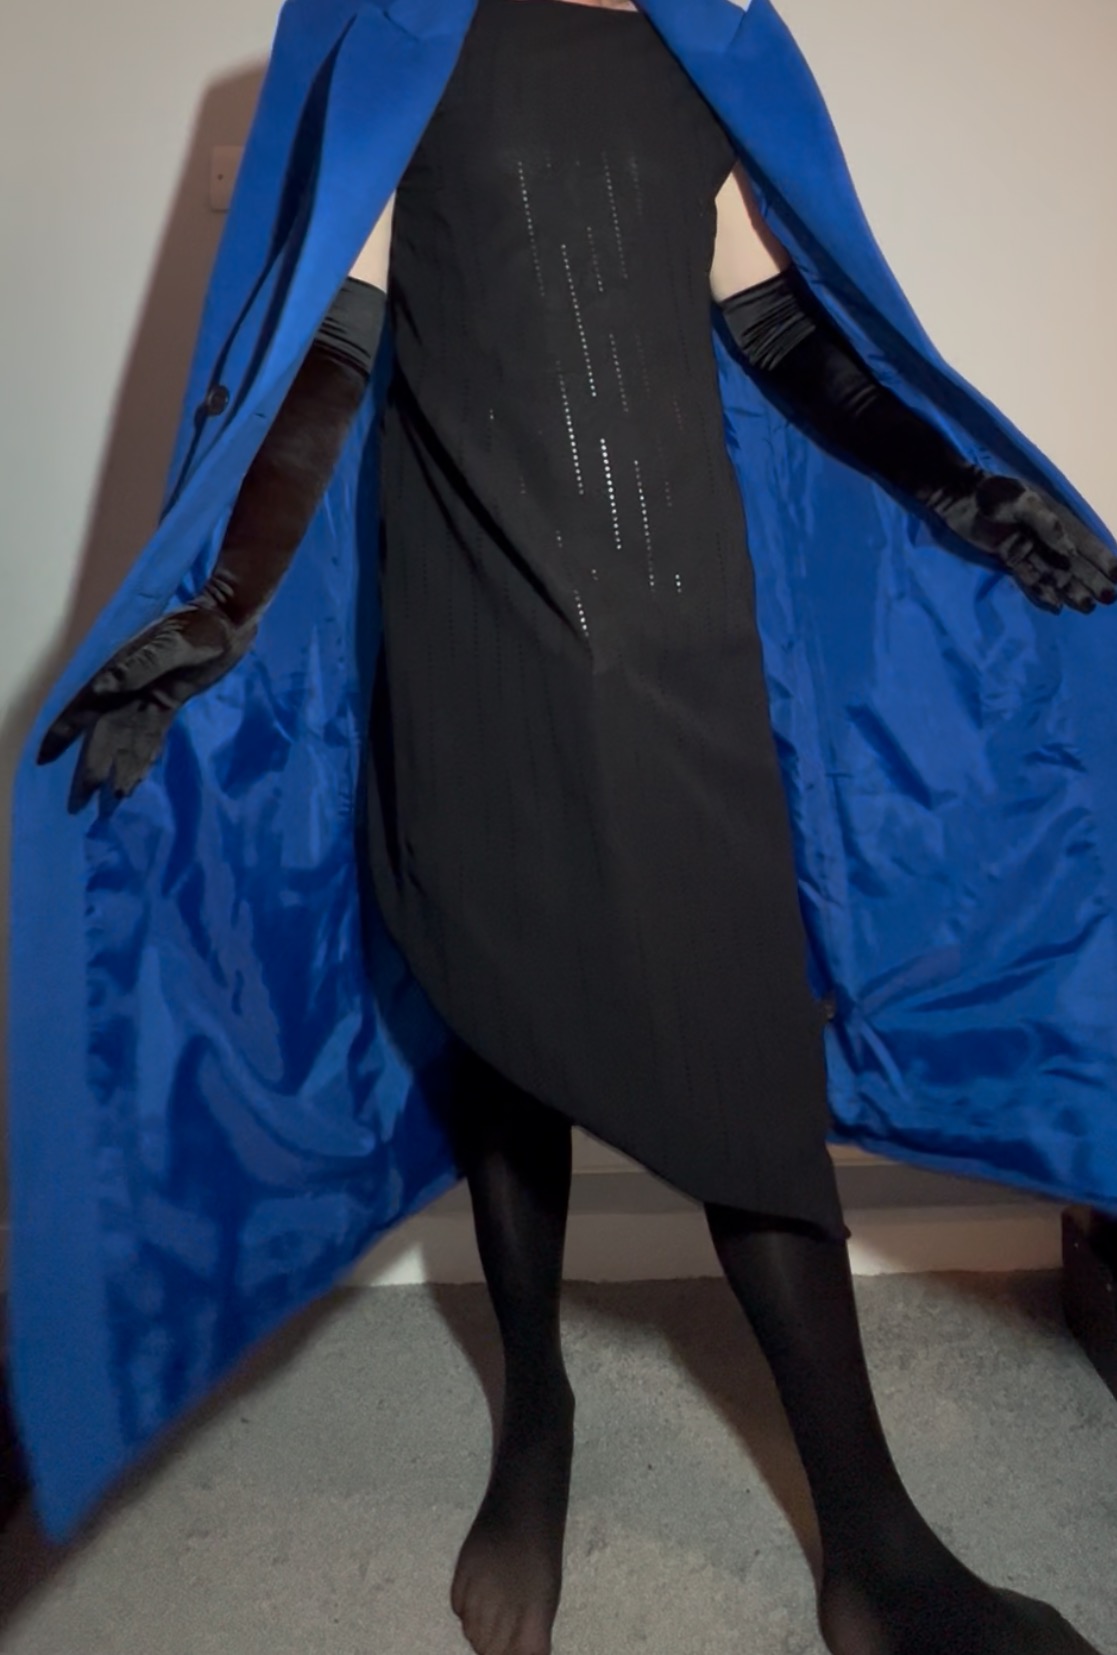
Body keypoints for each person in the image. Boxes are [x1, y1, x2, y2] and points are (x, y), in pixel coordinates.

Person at [14, 2, 1117, 1652]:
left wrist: (978, 493)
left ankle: (871, 1543)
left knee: (740, 1058)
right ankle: (535, 1417)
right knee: (502, 1028)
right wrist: (219, 605)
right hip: (475, 636)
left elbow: (778, 323)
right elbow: (329, 339)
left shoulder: (707, 43)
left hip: (684, 646)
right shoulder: (400, 33)